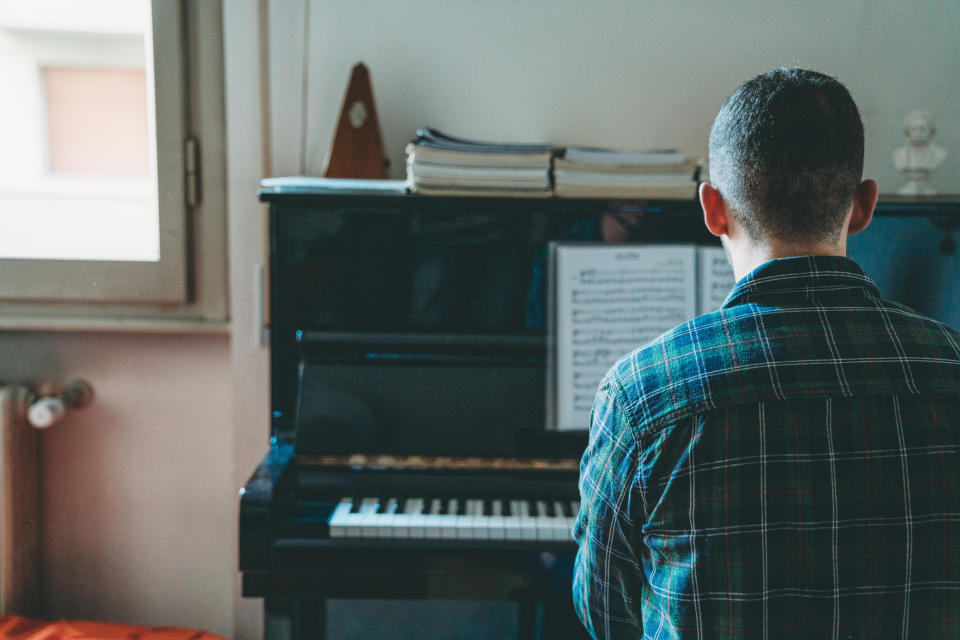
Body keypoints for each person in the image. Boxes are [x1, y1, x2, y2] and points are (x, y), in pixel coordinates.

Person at [572, 68, 960, 639]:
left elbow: (604, 612)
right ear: (863, 206)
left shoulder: (642, 395)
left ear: (712, 209)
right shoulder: (950, 371)